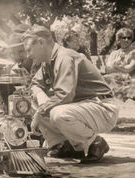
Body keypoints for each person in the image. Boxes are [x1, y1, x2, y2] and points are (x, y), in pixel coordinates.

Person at [22, 25, 119, 163]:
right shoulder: (48, 62)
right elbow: (35, 85)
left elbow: (65, 95)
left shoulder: (64, 57)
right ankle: (66, 145)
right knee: (31, 104)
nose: (28, 55)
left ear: (41, 42)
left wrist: (40, 112)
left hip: (103, 107)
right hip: (84, 107)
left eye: (29, 49)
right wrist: (38, 104)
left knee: (58, 113)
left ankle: (95, 142)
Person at [105, 28, 135, 101]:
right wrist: (120, 68)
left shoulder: (133, 52)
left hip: (129, 80)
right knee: (106, 79)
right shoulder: (114, 53)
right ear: (119, 39)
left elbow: (129, 69)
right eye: (124, 38)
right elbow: (107, 69)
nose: (126, 40)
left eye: (129, 38)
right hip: (116, 79)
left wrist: (115, 66)